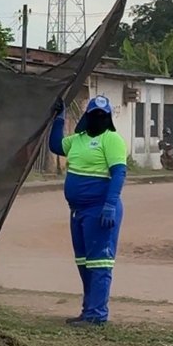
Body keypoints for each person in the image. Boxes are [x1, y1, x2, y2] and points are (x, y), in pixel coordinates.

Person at [48, 95, 127, 327]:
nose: (98, 119)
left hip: (100, 210)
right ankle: (88, 310)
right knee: (84, 262)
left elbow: (119, 173)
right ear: (86, 116)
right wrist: (59, 119)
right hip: (78, 211)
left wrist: (110, 205)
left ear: (108, 118)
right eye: (94, 114)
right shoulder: (77, 140)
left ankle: (97, 315)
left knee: (100, 263)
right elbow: (55, 145)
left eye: (102, 115)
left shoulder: (111, 139)